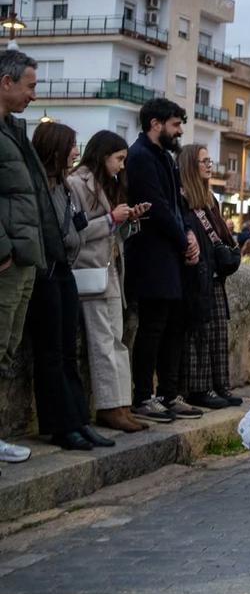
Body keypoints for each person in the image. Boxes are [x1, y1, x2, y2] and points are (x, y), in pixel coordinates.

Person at [26, 122, 116, 451]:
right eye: (71, 145)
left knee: (67, 352)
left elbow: (76, 227)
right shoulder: (41, 188)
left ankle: (78, 420)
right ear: (55, 149)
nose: (76, 151)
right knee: (51, 353)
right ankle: (61, 425)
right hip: (47, 272)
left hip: (65, 271)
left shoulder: (62, 187)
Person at [124, 98, 204, 423]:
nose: (179, 131)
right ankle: (143, 396)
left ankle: (168, 393)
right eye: (174, 124)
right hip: (152, 255)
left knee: (173, 326)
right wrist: (182, 236)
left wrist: (188, 232)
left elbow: (176, 204)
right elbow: (155, 205)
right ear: (155, 124)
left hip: (170, 254)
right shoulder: (141, 156)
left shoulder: (165, 157)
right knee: (153, 327)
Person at [66, 130, 149, 433]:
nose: (122, 166)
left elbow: (115, 234)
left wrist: (129, 221)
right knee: (104, 341)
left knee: (118, 340)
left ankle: (121, 404)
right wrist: (112, 219)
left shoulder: (108, 184)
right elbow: (77, 232)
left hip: (112, 269)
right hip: (92, 271)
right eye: (119, 159)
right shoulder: (77, 183)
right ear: (103, 155)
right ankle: (109, 406)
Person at [0, 50, 47, 464]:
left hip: (23, 256)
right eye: (30, 86)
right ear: (6, 83)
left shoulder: (13, 130)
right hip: (8, 259)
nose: (34, 94)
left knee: (8, 348)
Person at [178, 144, 242, 410]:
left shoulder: (210, 200)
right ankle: (199, 389)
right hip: (196, 277)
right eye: (203, 161)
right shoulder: (183, 199)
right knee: (199, 335)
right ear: (190, 165)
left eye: (209, 160)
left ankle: (219, 386)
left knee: (217, 333)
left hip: (215, 276)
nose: (209, 165)